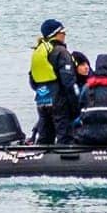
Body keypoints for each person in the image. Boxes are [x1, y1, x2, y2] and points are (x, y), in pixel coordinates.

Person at [28, 19, 81, 147]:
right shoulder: (61, 52)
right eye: (63, 31)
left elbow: (32, 80)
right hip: (58, 99)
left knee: (45, 133)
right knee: (64, 134)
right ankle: (65, 163)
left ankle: (40, 160)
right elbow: (69, 82)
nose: (65, 34)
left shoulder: (39, 52)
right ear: (56, 34)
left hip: (42, 98)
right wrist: (77, 104)